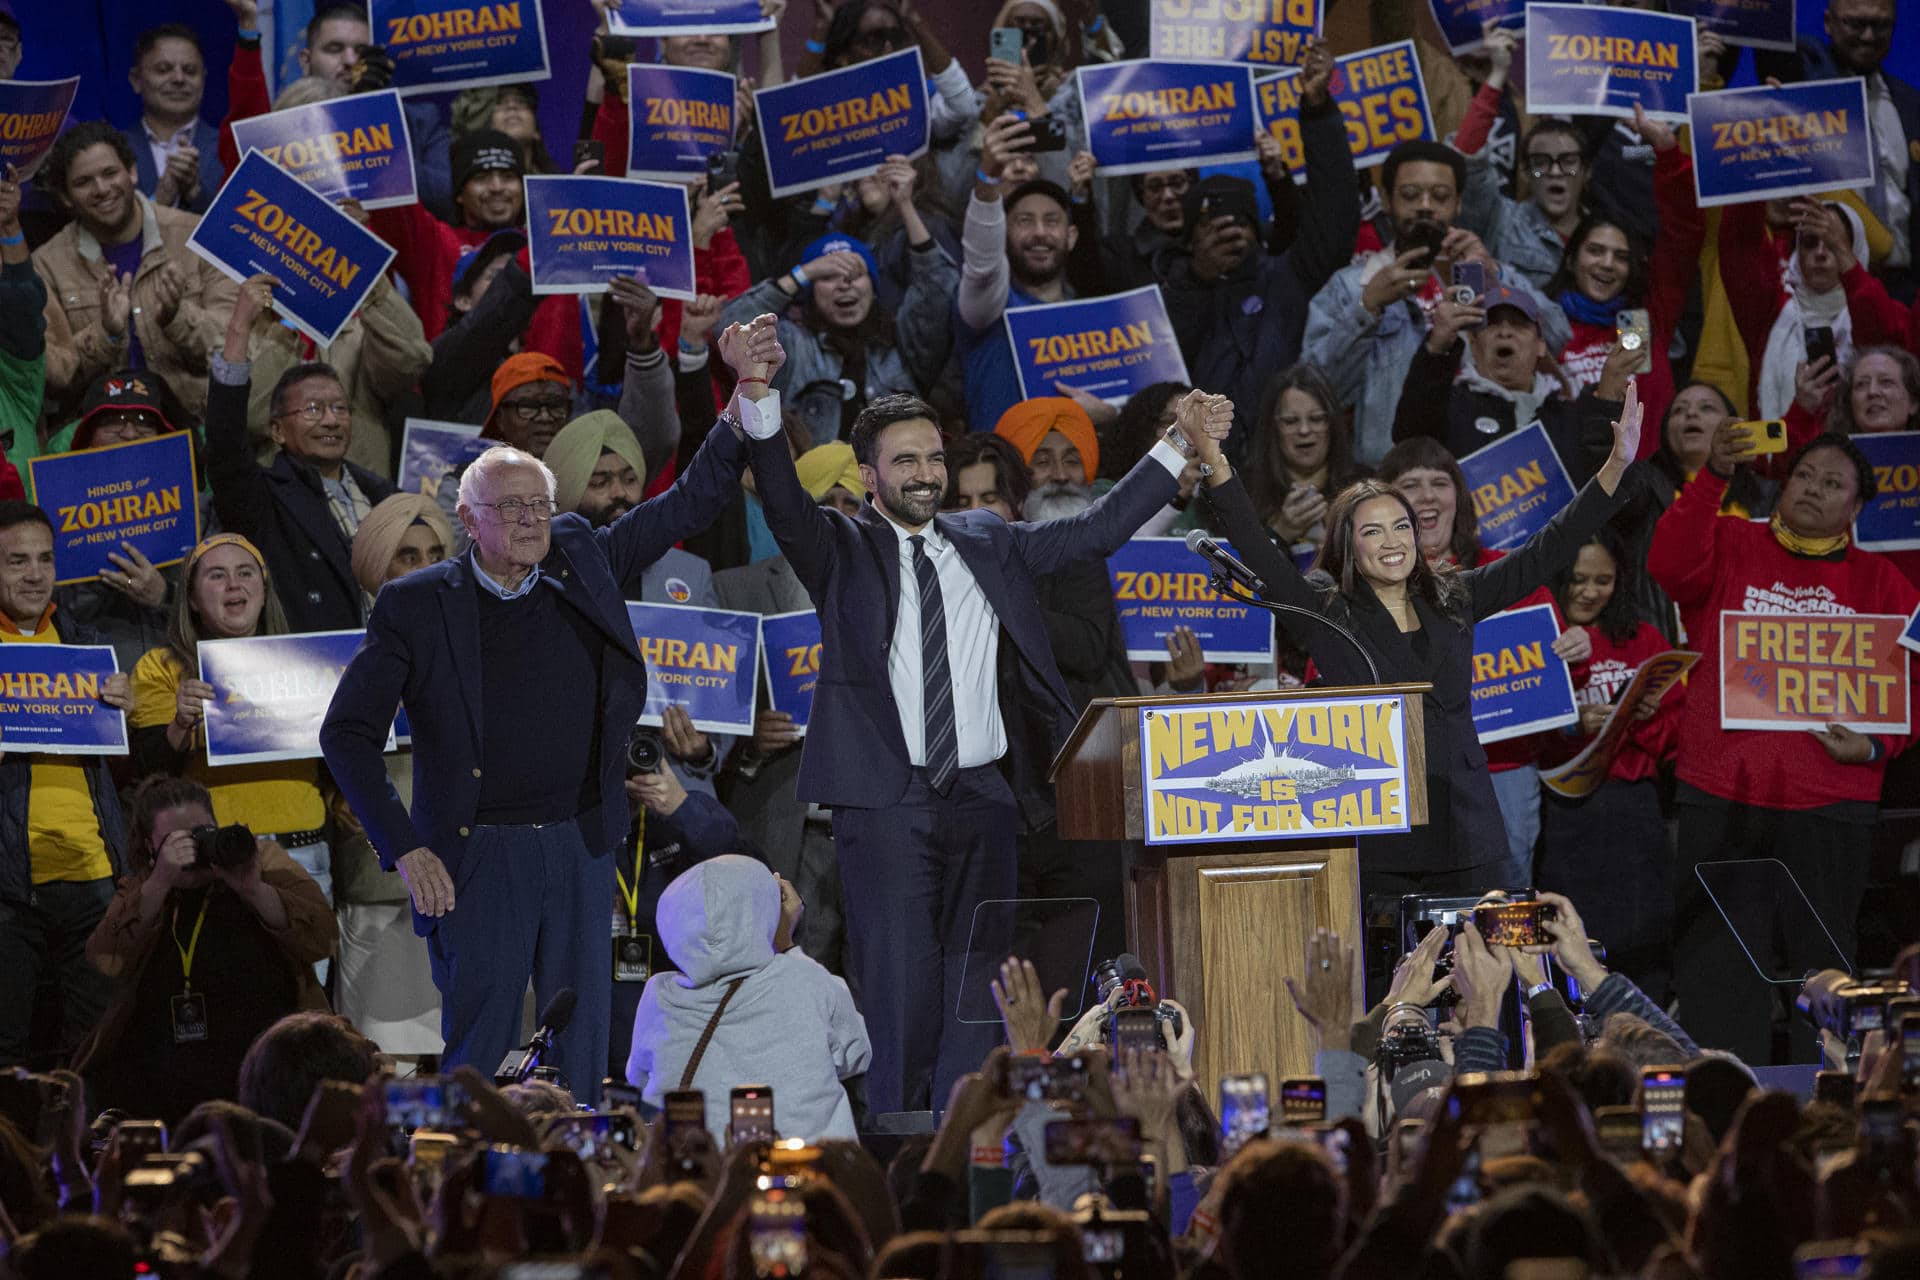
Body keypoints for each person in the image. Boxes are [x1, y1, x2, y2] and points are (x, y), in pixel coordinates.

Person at [318, 318, 776, 1101]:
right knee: (485, 1048)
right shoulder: (417, 605)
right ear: (469, 522)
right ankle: (471, 1187)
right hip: (477, 854)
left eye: (540, 504)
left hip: (579, 843)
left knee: (581, 1044)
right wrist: (408, 848)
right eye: (511, 509)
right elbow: (347, 735)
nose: (532, 520)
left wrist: (745, 399)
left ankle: (582, 1182)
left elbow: (688, 504)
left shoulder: (581, 555)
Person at [738, 345, 1205, 1111]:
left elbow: (1096, 529)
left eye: (933, 458)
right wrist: (757, 396)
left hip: (985, 800)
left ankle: (969, 1145)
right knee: (897, 990)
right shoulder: (840, 548)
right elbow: (785, 502)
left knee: (976, 992)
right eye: (905, 461)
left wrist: (1176, 443)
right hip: (886, 803)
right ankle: (899, 1153)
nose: (925, 472)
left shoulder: (990, 540)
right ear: (868, 476)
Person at [1191, 379, 1641, 896]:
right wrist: (1213, 460)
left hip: (1468, 828)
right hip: (1380, 831)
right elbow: (1260, 552)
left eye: (1401, 527)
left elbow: (1547, 548)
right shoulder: (1328, 612)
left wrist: (1615, 466)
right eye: (1373, 531)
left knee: (1482, 965)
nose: (1392, 542)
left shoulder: (1454, 597)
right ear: (1349, 546)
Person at [1648, 425, 1920, 1063]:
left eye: (1834, 485)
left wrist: (1879, 746)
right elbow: (1666, 562)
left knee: (1821, 968)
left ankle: (1821, 1102)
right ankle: (1725, 1096)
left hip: (1831, 803)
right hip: (1722, 793)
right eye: (1804, 477)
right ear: (1783, 483)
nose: (1814, 491)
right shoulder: (1733, 540)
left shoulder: (1883, 584)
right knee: (1716, 962)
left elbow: (1916, 684)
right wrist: (1713, 476)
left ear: (1856, 510)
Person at [954, 426, 1132, 967]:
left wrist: (1003, 598)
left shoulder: (1066, 557)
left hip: (1075, 807)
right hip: (990, 817)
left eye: (989, 499)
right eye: (961, 503)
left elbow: (1085, 646)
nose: (976, 515)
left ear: (1016, 504)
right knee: (1003, 985)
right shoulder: (935, 584)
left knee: (1088, 973)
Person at [75, 777, 332, 1125]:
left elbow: (323, 938)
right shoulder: (145, 886)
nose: (193, 848)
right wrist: (160, 881)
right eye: (175, 841)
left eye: (202, 832)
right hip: (163, 1072)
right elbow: (105, 960)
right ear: (149, 847)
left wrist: (252, 889)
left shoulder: (263, 860)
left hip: (262, 1067)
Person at [1304, 139, 1568, 465]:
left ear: (1458, 204)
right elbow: (1313, 394)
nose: (1426, 206)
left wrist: (1495, 275)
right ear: (1386, 200)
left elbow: (1556, 339)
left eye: (1440, 196)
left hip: (1490, 470)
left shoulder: (1488, 271)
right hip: (1391, 474)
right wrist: (1367, 307)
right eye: (1411, 195)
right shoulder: (1350, 286)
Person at [130, 532, 335, 922]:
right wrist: (178, 725)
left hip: (304, 855)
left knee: (307, 982)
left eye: (245, 573)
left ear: (263, 587)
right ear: (190, 598)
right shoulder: (162, 667)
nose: (234, 584)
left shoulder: (313, 663)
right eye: (217, 575)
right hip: (211, 859)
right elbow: (144, 771)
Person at [1159, 42, 1359, 436]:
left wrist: (1318, 111)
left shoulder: (1290, 277)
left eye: (1239, 223)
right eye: (1210, 226)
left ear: (1258, 227)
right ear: (1189, 238)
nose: (1228, 234)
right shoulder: (1171, 297)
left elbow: (1335, 208)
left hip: (1282, 454)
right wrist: (1199, 279)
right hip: (1203, 465)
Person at [0, 503, 133, 1069]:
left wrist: (122, 715)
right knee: (6, 1047)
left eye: (45, 559)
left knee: (95, 1047)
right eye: (16, 561)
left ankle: (86, 1155)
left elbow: (127, 773)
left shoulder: (87, 644)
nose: (34, 574)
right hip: (8, 889)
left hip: (92, 876)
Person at [626, 855, 868, 1143]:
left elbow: (639, 1078)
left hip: (702, 1173)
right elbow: (857, 1055)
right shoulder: (806, 979)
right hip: (807, 1173)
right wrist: (784, 942)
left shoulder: (659, 997)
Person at [1536, 529, 1683, 1003]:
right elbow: (1513, 733)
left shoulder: (1644, 638)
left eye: (1604, 580)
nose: (1590, 591)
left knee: (1643, 935)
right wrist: (1570, 725)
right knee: (1572, 938)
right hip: (1561, 813)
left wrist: (1641, 719)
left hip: (1633, 810)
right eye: (1578, 579)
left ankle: (1648, 1033)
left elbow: (1675, 738)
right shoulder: (1536, 636)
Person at [206, 276, 399, 633]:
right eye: (313, 410)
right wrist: (239, 328)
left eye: (340, 409)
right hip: (311, 669)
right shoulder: (263, 500)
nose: (331, 421)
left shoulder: (386, 496)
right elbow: (224, 446)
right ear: (277, 430)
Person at [330, 496, 453, 1058]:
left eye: (435, 553)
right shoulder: (331, 652)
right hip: (376, 879)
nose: (423, 567)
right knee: (386, 1055)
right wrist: (334, 796)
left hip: (460, 871)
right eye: (406, 555)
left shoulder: (476, 643)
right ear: (377, 567)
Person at [717, 166, 956, 446]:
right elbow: (733, 326)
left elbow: (939, 289)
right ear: (811, 292)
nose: (845, 284)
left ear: (874, 288)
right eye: (828, 276)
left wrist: (905, 204)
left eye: (856, 274)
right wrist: (801, 274)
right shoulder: (791, 347)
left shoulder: (900, 345)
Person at [30, 121, 237, 422]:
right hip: (98, 436)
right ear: (65, 198)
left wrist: (179, 318)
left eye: (110, 173)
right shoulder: (46, 265)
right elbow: (52, 380)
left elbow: (235, 350)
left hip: (195, 425)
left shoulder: (197, 237)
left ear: (133, 173)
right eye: (83, 182)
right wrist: (106, 335)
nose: (101, 189)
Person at [1392, 282, 1626, 485]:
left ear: (1541, 346)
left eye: (1518, 324)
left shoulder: (1568, 419)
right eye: (1491, 324)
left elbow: (1603, 485)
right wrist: (1437, 347)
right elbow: (1410, 437)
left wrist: (1606, 401)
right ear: (1473, 345)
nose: (1505, 332)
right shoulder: (1446, 407)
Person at [1242, 364, 1364, 563]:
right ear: (1273, 428)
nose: (1305, 430)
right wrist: (1280, 532)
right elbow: (1234, 571)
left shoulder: (1363, 486)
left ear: (1331, 424)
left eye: (1316, 419)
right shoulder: (1243, 492)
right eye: (1290, 421)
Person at [121, 24, 224, 215]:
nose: (178, 78)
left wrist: (195, 193)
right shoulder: (114, 150)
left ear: (204, 79)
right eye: (163, 69)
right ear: (136, 80)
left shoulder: (230, 148)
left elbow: (242, 232)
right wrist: (157, 201)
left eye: (190, 70)